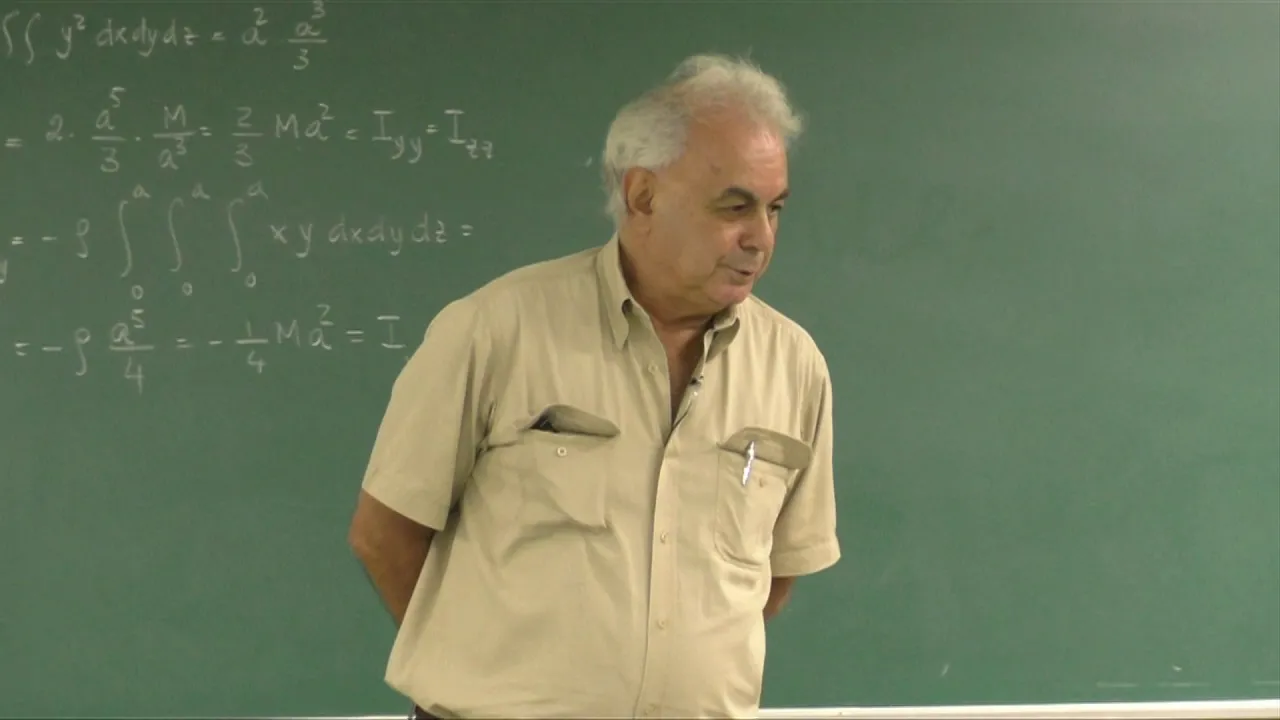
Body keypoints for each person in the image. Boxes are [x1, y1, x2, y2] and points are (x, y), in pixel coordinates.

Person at [347, 52, 841, 719]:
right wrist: (485, 675)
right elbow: (385, 533)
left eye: (775, 209)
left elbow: (772, 578)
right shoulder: (496, 330)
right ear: (643, 196)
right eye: (735, 207)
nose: (760, 238)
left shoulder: (794, 365)